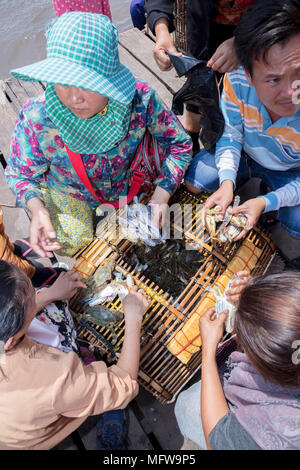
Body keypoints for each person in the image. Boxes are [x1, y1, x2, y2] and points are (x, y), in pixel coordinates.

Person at [5, 12, 192, 258]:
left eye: (87, 84)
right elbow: (20, 174)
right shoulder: (37, 118)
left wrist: (162, 194)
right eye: (62, 82)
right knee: (69, 240)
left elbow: (180, 145)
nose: (74, 98)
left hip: (130, 184)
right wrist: (36, 208)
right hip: (71, 193)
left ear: (109, 80)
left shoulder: (141, 99)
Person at [0, 259, 150, 450]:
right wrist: (134, 316)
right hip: (23, 436)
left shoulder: (6, 339)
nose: (35, 294)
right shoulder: (52, 378)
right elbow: (125, 383)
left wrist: (49, 294)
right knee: (111, 396)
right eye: (32, 295)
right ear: (11, 341)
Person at [184, 0, 300, 246]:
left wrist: (266, 202)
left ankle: (267, 203)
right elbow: (231, 134)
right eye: (273, 80)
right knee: (194, 180)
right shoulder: (236, 78)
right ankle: (240, 188)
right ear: (248, 74)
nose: (291, 92)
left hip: (292, 168)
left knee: (297, 223)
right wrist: (227, 181)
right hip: (247, 153)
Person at [175, 270, 300, 450]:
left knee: (188, 406)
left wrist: (208, 351)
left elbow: (218, 440)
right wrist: (258, 297)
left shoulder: (284, 431)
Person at [146, 0, 255, 152]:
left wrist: (245, 41)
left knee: (246, 103)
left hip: (258, 31)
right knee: (198, 84)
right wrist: (161, 29)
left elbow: (284, 7)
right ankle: (191, 139)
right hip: (202, 25)